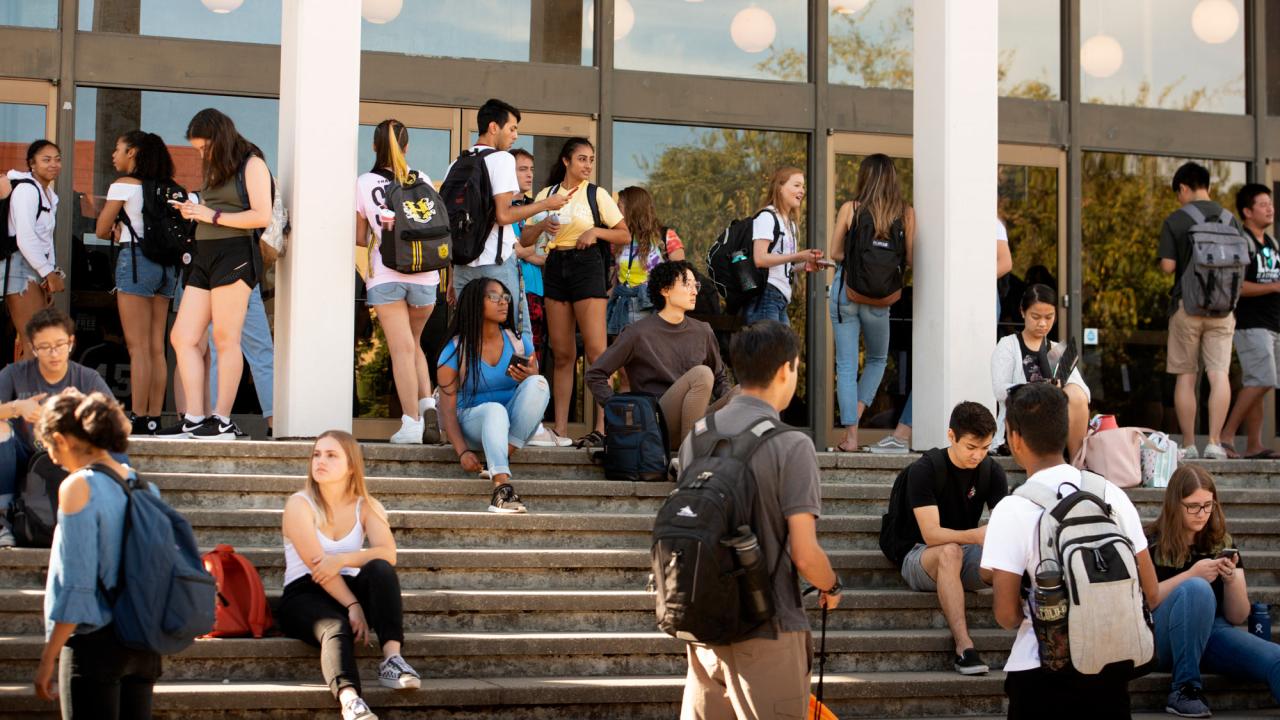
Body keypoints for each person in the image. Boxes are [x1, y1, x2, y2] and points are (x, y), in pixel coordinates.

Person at [679, 320, 841, 720]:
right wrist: (831, 584)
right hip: (768, 626)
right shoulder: (791, 443)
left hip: (702, 626)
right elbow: (804, 554)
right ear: (787, 368)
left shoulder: (697, 434)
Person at [981, 382, 1159, 719]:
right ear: (1065, 431)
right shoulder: (1110, 493)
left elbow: (1006, 616)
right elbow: (1150, 591)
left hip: (1041, 671)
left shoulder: (1013, 507)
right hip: (1111, 668)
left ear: (1015, 438)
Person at [33, 388, 160, 718]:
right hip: (144, 642)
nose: (52, 457)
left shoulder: (78, 486)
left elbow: (78, 584)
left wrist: (49, 657)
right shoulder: (143, 485)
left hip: (97, 641)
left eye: (49, 447)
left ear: (61, 439)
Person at [277, 430, 417, 720]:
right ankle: (350, 700)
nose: (320, 461)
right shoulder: (299, 505)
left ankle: (393, 658)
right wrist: (353, 606)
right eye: (316, 454)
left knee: (380, 569)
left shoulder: (365, 505)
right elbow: (319, 567)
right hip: (304, 594)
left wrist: (342, 558)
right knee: (336, 626)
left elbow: (387, 553)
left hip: (347, 586)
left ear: (351, 466)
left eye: (331, 455)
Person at [159, 108, 270, 441]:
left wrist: (211, 214)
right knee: (183, 337)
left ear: (219, 138)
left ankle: (221, 420)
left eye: (204, 148)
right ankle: (195, 417)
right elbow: (212, 209)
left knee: (225, 339)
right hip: (204, 256)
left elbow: (261, 216)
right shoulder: (215, 169)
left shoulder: (253, 164)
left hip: (235, 254)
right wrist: (193, 208)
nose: (201, 154)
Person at [882, 401, 1007, 676]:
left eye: (985, 448)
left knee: (1006, 558)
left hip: (963, 554)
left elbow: (1004, 528)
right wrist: (977, 535)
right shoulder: (925, 469)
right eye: (971, 447)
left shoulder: (991, 471)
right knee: (950, 551)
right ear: (951, 436)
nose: (978, 456)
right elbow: (931, 534)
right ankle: (964, 648)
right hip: (919, 555)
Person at [1146, 464, 1280, 717]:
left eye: (1208, 505)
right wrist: (1190, 575)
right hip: (1163, 638)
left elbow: (1238, 617)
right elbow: (1144, 602)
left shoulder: (1222, 541)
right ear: (1175, 504)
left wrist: (1231, 580)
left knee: (1276, 659)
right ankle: (1184, 689)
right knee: (1196, 588)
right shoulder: (1150, 541)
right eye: (1193, 506)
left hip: (1212, 634)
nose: (1202, 513)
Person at [534, 137, 630, 448]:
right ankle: (560, 430)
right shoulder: (546, 195)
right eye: (581, 159)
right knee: (562, 353)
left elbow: (624, 233)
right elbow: (525, 240)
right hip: (556, 263)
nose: (587, 165)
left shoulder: (597, 194)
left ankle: (603, 429)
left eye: (590, 159)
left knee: (597, 353)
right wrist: (541, 226)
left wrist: (596, 231)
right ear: (566, 161)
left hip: (587, 265)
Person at [449, 99, 571, 337]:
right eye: (512, 128)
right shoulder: (502, 159)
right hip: (495, 265)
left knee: (468, 338)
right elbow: (503, 214)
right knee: (517, 335)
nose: (515, 135)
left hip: (463, 265)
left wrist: (453, 274)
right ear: (494, 127)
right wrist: (545, 204)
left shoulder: (457, 163)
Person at [354, 119, 440, 444]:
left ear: (375, 146)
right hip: (426, 275)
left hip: (387, 274)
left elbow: (361, 238)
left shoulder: (364, 183)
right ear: (406, 147)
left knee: (401, 349)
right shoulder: (423, 179)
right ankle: (428, 406)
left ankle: (411, 423)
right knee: (414, 344)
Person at [0, 309, 116, 548]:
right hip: (24, 454)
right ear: (32, 347)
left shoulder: (86, 377)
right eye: (44, 347)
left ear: (71, 343)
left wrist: (81, 408)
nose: (54, 353)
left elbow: (117, 421)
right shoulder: (14, 373)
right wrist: (16, 407)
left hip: (69, 454)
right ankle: (3, 519)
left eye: (60, 345)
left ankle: (104, 518)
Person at [586, 261, 730, 448]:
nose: (694, 291)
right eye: (686, 284)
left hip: (694, 420)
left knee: (744, 393)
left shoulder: (703, 331)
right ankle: (688, 457)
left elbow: (720, 379)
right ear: (665, 290)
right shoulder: (637, 333)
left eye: (696, 285)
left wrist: (732, 404)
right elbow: (595, 374)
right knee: (702, 374)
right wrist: (622, 412)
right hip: (656, 424)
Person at [437, 278, 549, 514]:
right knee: (494, 410)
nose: (503, 302)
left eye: (505, 297)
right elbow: (447, 409)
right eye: (494, 297)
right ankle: (502, 488)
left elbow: (535, 391)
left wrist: (528, 377)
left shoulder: (518, 342)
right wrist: (463, 451)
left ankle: (498, 457)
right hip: (472, 424)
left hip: (510, 429)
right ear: (475, 303)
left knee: (539, 383)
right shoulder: (455, 350)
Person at [93, 131, 179, 436]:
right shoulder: (169, 188)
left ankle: (138, 416)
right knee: (157, 347)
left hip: (137, 263)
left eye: (117, 148)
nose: (114, 155)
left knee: (137, 347)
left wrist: (114, 226)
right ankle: (154, 417)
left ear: (133, 152)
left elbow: (101, 230)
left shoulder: (123, 186)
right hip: (167, 269)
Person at [1157, 161, 1243, 460]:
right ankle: (1215, 443)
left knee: (1186, 375)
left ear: (1183, 187)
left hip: (1187, 306)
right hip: (1223, 309)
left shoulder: (1177, 219)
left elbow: (1168, 266)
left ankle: (1191, 443)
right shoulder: (1231, 219)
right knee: (1219, 374)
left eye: (1178, 193)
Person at [827, 154, 913, 450]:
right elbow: (911, 259)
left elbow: (835, 252)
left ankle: (850, 436)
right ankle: (859, 416)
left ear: (864, 178)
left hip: (846, 294)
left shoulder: (851, 209)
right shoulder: (906, 213)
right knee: (877, 360)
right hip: (882, 300)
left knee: (847, 365)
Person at [991, 284, 1090, 459]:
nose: (1042, 324)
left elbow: (1084, 396)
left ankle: (1076, 463)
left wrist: (1061, 388)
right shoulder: (1009, 345)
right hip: (1021, 425)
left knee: (1076, 393)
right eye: (1035, 317)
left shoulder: (1057, 350)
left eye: (1049, 317)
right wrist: (1038, 388)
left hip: (1053, 425)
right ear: (1022, 312)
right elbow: (1000, 390)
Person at [509, 148, 566, 449]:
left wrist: (523, 251)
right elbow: (512, 248)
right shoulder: (503, 209)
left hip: (533, 291)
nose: (529, 174)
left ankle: (534, 422)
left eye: (531, 168)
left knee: (534, 354)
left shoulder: (538, 211)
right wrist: (523, 250)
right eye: (522, 169)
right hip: (506, 292)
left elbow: (544, 254)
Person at [1221, 183, 1280, 459]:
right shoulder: (1243, 242)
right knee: (1263, 379)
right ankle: (1226, 435)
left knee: (1261, 382)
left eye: (1270, 203)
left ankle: (1254, 444)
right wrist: (1273, 287)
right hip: (1250, 323)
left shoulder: (1271, 243)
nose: (1270, 208)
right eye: (1263, 204)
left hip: (1271, 323)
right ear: (1247, 211)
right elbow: (1238, 287)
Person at [5, 140, 65, 362]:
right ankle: (26, 396)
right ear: (32, 163)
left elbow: (45, 241)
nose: (54, 164)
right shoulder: (26, 190)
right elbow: (26, 238)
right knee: (35, 342)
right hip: (21, 269)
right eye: (46, 159)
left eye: (58, 159)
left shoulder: (49, 195)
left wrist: (48, 273)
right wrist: (48, 273)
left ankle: (27, 396)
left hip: (34, 271)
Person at [606, 186, 686, 336]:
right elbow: (614, 279)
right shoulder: (617, 239)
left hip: (655, 308)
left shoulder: (665, 236)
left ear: (633, 209)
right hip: (624, 307)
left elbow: (681, 277)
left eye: (620, 206)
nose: (616, 211)